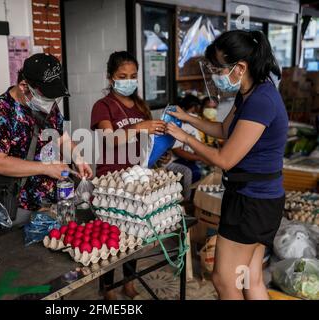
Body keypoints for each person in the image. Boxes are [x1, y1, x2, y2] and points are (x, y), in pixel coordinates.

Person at [166, 30, 288, 300]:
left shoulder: (260, 101)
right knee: (250, 278)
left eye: (217, 68)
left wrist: (184, 137)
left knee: (223, 279)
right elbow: (223, 129)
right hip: (260, 200)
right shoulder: (251, 92)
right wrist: (187, 118)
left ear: (240, 67)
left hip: (251, 203)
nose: (213, 76)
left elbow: (225, 159)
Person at [91, 51, 166, 300]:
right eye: (122, 76)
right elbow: (110, 140)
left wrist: (160, 154)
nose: (128, 80)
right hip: (110, 181)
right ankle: (108, 287)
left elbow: (147, 144)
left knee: (135, 234)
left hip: (136, 179)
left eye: (133, 76)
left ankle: (129, 282)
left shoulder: (142, 106)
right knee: (111, 238)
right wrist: (138, 127)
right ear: (110, 78)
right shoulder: (103, 106)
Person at [0, 53, 92, 220]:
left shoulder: (48, 106)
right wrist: (46, 167)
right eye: (45, 96)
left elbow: (62, 137)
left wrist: (78, 158)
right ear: (24, 86)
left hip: (55, 203)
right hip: (20, 206)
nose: (51, 102)